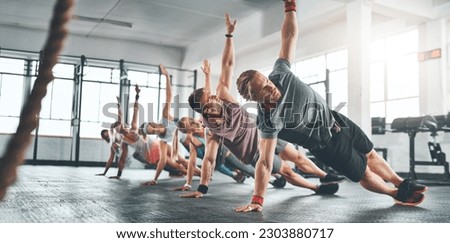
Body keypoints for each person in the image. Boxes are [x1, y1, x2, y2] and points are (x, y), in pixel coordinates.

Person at [234, 0, 427, 212]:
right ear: (255, 99)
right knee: (364, 173)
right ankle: (395, 194)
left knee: (370, 153)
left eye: (267, 81)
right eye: (265, 89)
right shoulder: (268, 120)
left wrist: (290, 6)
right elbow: (264, 161)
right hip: (328, 145)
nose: (272, 87)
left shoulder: (280, 73)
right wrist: (257, 199)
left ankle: (401, 182)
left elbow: (289, 37)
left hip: (337, 120)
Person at [183, 13, 344, 199]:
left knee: (298, 157)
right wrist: (202, 188)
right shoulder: (212, 131)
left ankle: (325, 176)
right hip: (254, 152)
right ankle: (315, 188)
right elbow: (209, 160)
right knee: (286, 171)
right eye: (208, 98)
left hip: (265, 130)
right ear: (204, 110)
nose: (213, 96)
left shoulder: (223, 96)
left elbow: (228, 64)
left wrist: (229, 35)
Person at [140, 64, 199, 185]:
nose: (156, 131)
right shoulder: (162, 140)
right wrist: (155, 179)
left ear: (155, 123)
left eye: (154, 128)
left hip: (194, 132)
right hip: (189, 142)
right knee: (183, 162)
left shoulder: (165, 117)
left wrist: (166, 77)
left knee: (186, 161)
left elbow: (169, 96)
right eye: (153, 133)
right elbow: (162, 161)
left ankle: (206, 174)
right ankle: (204, 175)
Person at [97, 94, 182, 178]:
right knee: (167, 164)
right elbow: (119, 159)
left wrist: (134, 98)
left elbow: (133, 112)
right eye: (107, 136)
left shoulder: (132, 128)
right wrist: (112, 174)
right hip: (147, 152)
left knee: (175, 160)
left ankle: (181, 170)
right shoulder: (122, 142)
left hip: (153, 145)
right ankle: (179, 171)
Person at [173, 117, 254, 191]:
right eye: (187, 132)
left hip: (228, 153)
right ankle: (241, 174)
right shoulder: (193, 139)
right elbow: (192, 162)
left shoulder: (206, 123)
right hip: (219, 159)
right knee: (221, 166)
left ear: (191, 126)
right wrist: (188, 184)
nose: (189, 133)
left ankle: (262, 179)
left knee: (250, 171)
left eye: (189, 131)